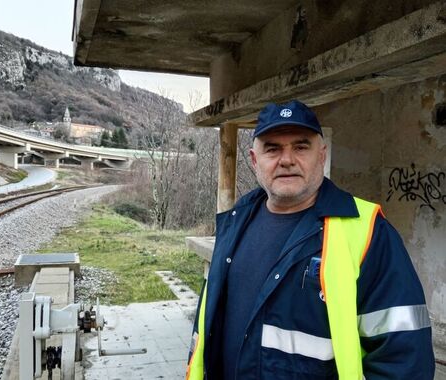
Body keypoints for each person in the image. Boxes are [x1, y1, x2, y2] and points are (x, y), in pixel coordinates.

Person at [186, 100, 435, 380]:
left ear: (322, 156)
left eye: (301, 146)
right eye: (273, 148)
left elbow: (405, 361)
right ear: (255, 160)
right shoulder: (234, 222)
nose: (287, 159)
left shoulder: (369, 232)